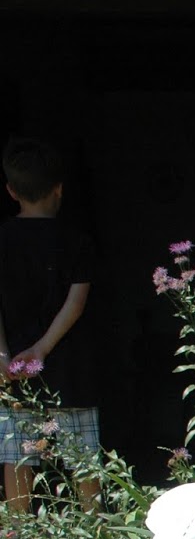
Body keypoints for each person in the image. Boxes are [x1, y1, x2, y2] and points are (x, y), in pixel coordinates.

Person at [0, 137, 96, 513]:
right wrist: (42, 348)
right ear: (59, 189)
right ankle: (94, 526)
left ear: (11, 191)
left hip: (15, 369)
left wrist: (4, 354)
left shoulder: (2, 239)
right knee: (82, 454)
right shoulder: (77, 240)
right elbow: (76, 303)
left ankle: (20, 532)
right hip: (70, 367)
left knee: (18, 455)